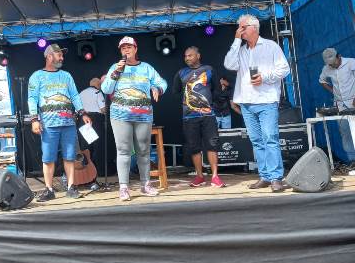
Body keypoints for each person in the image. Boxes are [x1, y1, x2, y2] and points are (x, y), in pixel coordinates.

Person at [224, 14, 290, 192]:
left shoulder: (270, 46)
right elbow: (229, 64)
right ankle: (265, 176)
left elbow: (284, 69)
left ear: (254, 27)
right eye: (239, 27)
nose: (240, 30)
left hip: (266, 100)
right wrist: (236, 40)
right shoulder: (241, 50)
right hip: (246, 102)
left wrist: (265, 77)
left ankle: (276, 177)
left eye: (243, 27)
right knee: (256, 141)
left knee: (270, 138)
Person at [101, 36, 167, 201]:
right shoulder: (115, 67)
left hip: (143, 115)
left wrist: (157, 88)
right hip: (120, 115)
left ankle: (146, 185)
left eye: (129, 47)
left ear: (136, 49)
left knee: (143, 150)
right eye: (123, 48)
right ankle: (124, 187)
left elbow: (163, 82)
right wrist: (116, 72)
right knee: (123, 150)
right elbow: (106, 89)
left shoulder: (146, 68)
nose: (126, 50)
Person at [28, 43, 92, 201]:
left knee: (70, 156)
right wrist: (34, 119)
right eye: (59, 55)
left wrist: (82, 112)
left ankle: (71, 187)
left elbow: (75, 95)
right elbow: (32, 98)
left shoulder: (66, 75)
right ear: (49, 56)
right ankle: (49, 190)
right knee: (48, 158)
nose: (62, 57)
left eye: (62, 55)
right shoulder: (37, 76)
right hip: (48, 124)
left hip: (68, 123)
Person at [172, 46, 226, 188]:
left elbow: (216, 90)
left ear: (198, 56)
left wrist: (208, 103)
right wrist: (187, 102)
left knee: (212, 145)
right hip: (189, 117)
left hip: (208, 115)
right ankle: (199, 176)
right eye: (185, 56)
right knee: (194, 147)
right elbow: (176, 92)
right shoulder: (181, 73)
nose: (187, 58)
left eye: (190, 55)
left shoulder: (209, 69)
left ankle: (215, 176)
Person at [319, 47, 355, 161]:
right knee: (345, 132)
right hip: (340, 104)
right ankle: (352, 160)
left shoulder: (351, 63)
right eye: (330, 64)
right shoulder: (326, 68)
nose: (332, 66)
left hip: (353, 100)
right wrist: (332, 90)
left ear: (339, 56)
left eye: (334, 63)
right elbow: (322, 80)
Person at [78, 77, 106, 184]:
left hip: (83, 119)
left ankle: (86, 173)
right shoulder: (97, 92)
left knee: (86, 148)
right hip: (96, 120)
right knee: (98, 147)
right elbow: (103, 109)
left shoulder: (81, 93)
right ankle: (99, 171)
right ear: (98, 85)